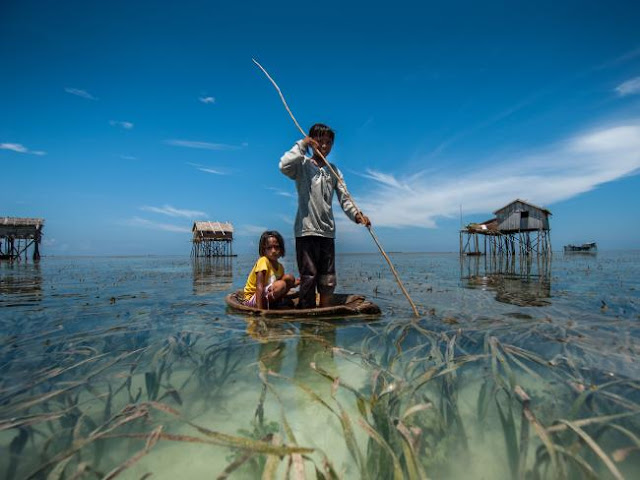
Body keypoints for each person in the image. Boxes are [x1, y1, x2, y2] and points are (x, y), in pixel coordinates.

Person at [279, 123, 370, 309]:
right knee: (309, 276)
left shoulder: (334, 170)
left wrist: (357, 215)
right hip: (306, 231)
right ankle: (307, 314)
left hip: (327, 233)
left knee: (328, 279)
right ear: (312, 142)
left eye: (328, 142)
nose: (324, 146)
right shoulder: (302, 165)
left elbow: (345, 199)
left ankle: (325, 312)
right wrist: (302, 144)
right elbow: (284, 165)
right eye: (320, 141)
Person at [243, 230, 296, 309]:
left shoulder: (280, 267)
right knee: (281, 284)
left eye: (276, 247)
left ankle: (276, 302)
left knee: (289, 278)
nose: (273, 251)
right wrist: (259, 310)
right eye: (269, 248)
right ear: (264, 250)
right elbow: (259, 287)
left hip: (266, 295)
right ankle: (269, 305)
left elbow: (276, 283)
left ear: (281, 249)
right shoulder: (263, 261)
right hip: (253, 299)